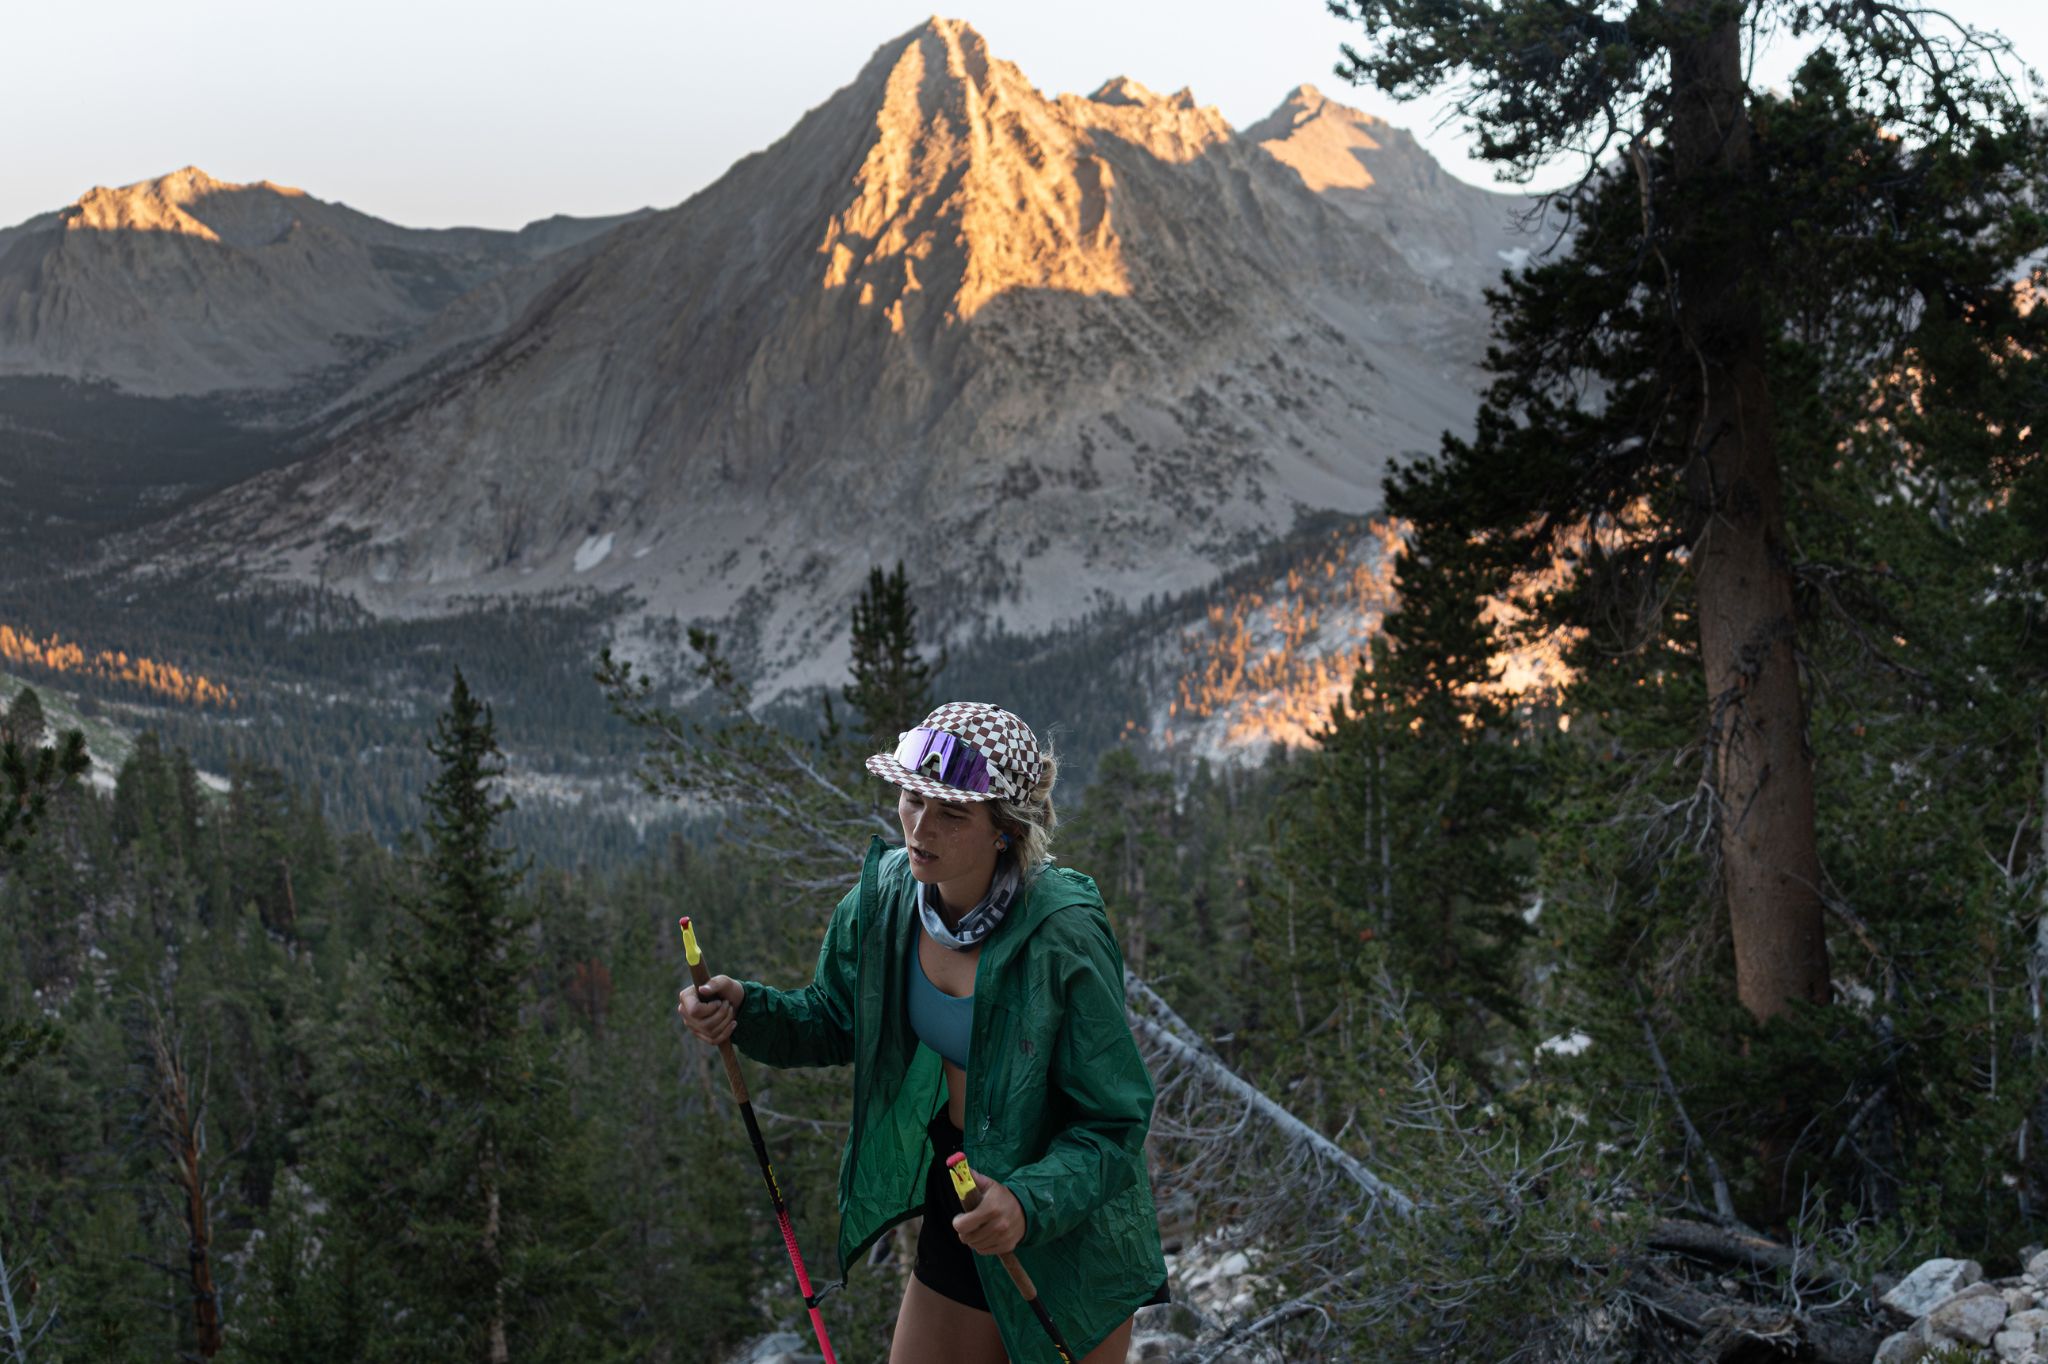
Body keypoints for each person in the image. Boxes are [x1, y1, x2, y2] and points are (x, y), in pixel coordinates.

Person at [680, 701, 1168, 1363]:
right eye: (912, 798)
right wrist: (746, 1012)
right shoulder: (884, 902)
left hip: (1070, 1229)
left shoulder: (1063, 934)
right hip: (962, 1197)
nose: (919, 827)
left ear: (1004, 829)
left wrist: (1025, 1202)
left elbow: (1114, 1124)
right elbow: (833, 1021)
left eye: (952, 812)